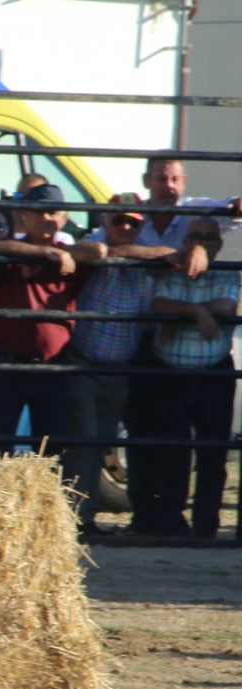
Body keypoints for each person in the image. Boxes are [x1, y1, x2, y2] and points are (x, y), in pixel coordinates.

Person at [63, 193, 176, 535]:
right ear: (104, 221)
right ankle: (75, 518)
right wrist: (126, 252)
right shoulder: (94, 245)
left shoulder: (143, 256)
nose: (125, 227)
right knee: (84, 442)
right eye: (119, 220)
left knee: (100, 443)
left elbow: (165, 254)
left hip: (119, 368)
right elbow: (97, 253)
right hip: (84, 364)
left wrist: (134, 252)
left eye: (133, 222)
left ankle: (87, 515)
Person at [0, 183, 106, 455]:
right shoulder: (13, 250)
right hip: (7, 363)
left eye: (53, 211)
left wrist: (60, 254)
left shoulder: (69, 253)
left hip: (53, 366)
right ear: (25, 216)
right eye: (39, 211)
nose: (46, 217)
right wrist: (47, 253)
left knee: (50, 448)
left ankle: (41, 496)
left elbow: (99, 251)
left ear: (63, 218)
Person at [131, 217, 238, 539]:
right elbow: (158, 302)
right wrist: (199, 313)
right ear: (186, 238)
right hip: (171, 371)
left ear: (219, 243)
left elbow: (228, 305)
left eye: (209, 236)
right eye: (196, 235)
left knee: (212, 452)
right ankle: (170, 522)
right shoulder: (171, 268)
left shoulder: (227, 270)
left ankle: (206, 524)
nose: (203, 241)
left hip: (213, 370)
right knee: (172, 450)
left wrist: (186, 312)